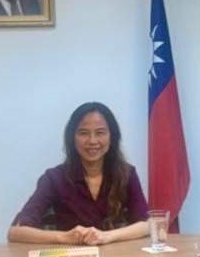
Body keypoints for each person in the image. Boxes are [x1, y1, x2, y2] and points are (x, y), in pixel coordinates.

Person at [8, 102, 150, 245]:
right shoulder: (54, 178)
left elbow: (148, 224)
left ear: (112, 137)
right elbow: (16, 232)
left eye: (100, 132)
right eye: (84, 133)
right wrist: (64, 237)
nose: (92, 141)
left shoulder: (127, 174)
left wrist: (106, 236)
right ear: (72, 139)